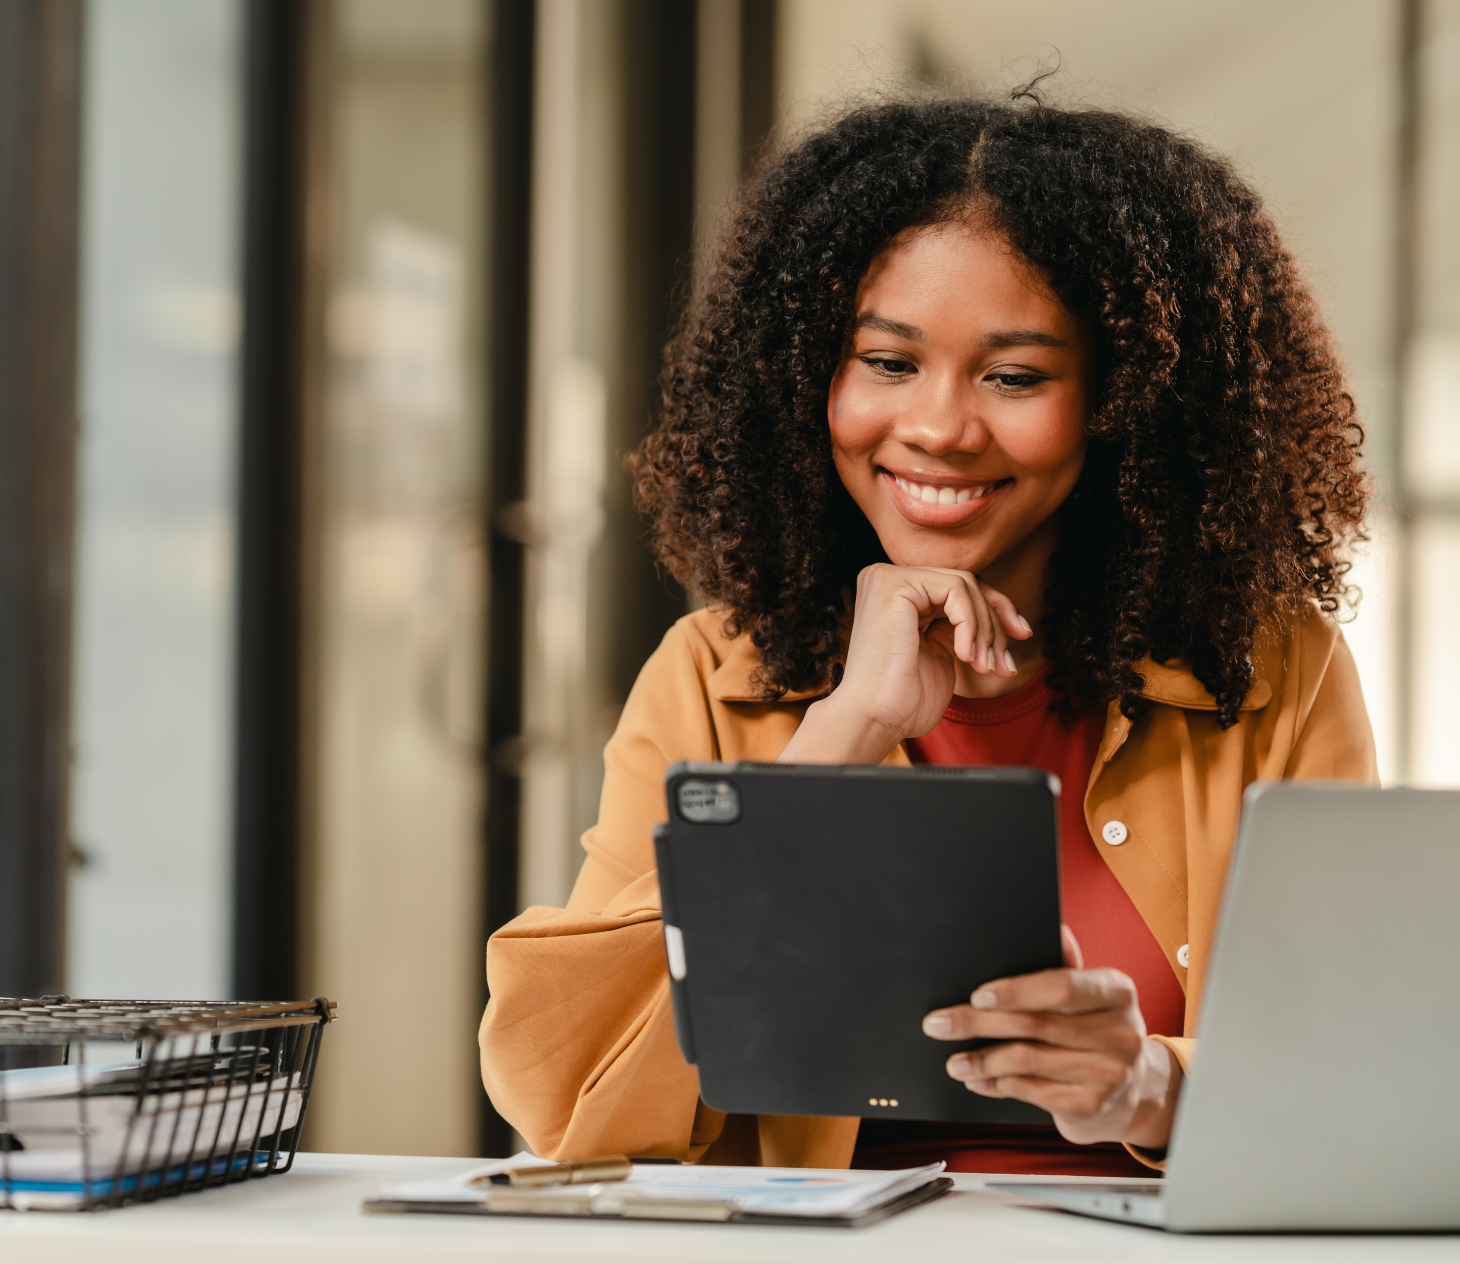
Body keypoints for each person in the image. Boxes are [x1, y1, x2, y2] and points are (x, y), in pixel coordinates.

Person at [480, 92, 1376, 1176]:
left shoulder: (1274, 674)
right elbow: (570, 1109)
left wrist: (1153, 1085)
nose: (941, 428)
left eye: (1015, 376)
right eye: (889, 363)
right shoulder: (716, 676)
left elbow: (1356, 1086)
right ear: (811, 375)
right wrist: (834, 744)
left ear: (1124, 399)